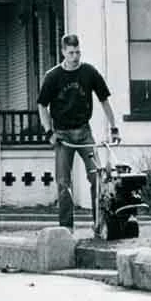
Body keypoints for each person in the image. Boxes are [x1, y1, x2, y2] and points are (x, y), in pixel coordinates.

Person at [37, 33, 121, 231]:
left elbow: (104, 100)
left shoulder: (89, 72)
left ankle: (99, 224)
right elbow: (42, 106)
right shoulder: (53, 76)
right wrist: (49, 132)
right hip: (63, 135)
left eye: (78, 52)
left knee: (97, 177)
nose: (75, 56)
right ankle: (66, 228)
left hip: (84, 132)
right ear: (63, 52)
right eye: (71, 52)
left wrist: (114, 128)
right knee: (63, 182)